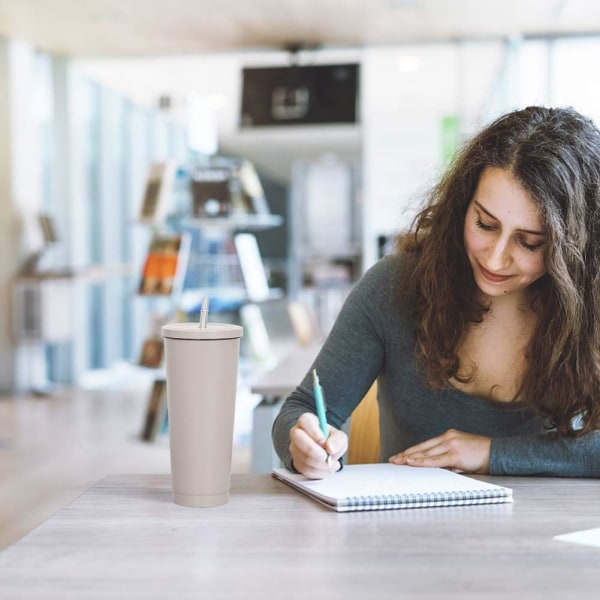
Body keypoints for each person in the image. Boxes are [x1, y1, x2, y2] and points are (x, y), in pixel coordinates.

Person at [272, 105, 600, 480]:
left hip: (547, 534)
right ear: (462, 206)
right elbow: (300, 410)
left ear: (576, 250)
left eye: (529, 243)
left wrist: (488, 453)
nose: (495, 258)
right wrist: (305, 446)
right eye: (485, 224)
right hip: (414, 530)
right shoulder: (395, 288)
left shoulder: (591, 307)